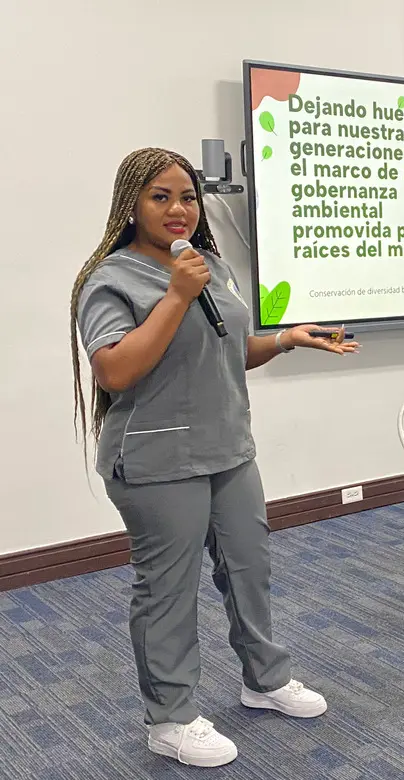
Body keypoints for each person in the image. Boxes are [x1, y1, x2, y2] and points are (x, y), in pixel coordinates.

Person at [70, 148, 359, 768]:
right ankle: (170, 719)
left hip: (228, 448)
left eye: (188, 197)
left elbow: (226, 349)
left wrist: (284, 340)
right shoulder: (111, 279)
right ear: (131, 206)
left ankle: (265, 680)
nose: (178, 209)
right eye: (161, 197)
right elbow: (115, 370)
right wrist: (177, 295)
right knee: (167, 590)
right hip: (156, 459)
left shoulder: (210, 266)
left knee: (249, 569)